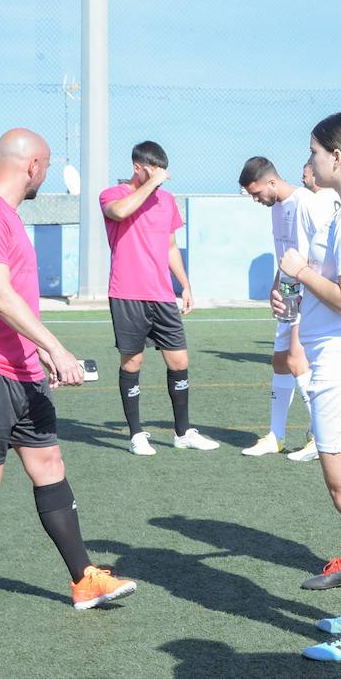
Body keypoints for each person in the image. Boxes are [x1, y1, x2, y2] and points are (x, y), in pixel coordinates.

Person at [0, 128, 135, 622]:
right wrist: (56, 348)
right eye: (48, 166)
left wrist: (39, 357)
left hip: (21, 367)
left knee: (49, 463)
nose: (46, 176)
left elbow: (12, 304)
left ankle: (83, 578)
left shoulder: (7, 217)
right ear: (33, 166)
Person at [273, 112, 341, 661]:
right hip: (335, 358)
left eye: (315, 151)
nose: (310, 161)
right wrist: (298, 292)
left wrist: (299, 272)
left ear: (337, 156)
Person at [101, 142, 218, 455]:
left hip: (163, 295)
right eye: (153, 172)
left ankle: (183, 432)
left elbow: (170, 246)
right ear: (137, 168)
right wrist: (151, 182)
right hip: (127, 293)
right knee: (133, 362)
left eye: (162, 173)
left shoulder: (166, 201)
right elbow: (120, 212)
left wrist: (185, 285)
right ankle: (136, 434)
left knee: (179, 360)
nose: (160, 179)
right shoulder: (112, 195)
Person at [238, 157, 340, 459]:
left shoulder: (307, 203)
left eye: (257, 193)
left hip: (309, 292)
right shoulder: (277, 207)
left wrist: (312, 288)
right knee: (280, 361)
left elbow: (326, 250)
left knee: (296, 359)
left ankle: (321, 438)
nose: (256, 199)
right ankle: (276, 436)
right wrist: (276, 286)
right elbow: (285, 254)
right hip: (289, 292)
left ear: (272, 182)